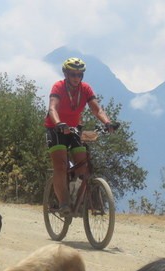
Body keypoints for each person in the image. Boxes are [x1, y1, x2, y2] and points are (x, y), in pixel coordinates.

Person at [44, 57, 115, 216]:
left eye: (79, 75)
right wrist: (58, 123)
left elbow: (97, 110)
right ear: (66, 74)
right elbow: (52, 108)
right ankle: (63, 204)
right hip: (56, 129)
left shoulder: (86, 89)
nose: (76, 78)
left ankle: (76, 197)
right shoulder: (59, 87)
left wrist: (107, 122)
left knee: (83, 167)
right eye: (73, 74)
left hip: (75, 129)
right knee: (61, 166)